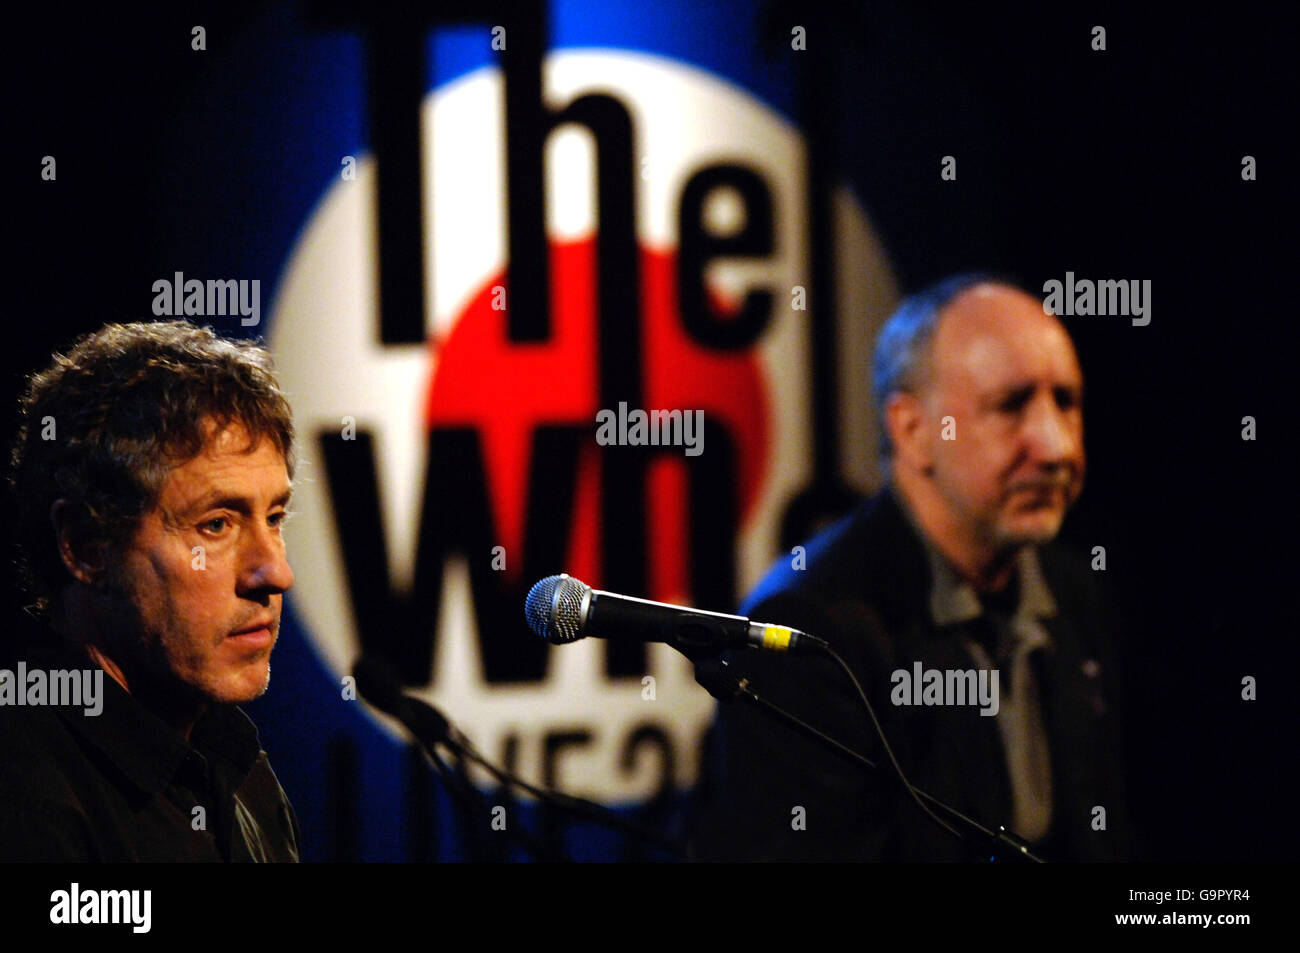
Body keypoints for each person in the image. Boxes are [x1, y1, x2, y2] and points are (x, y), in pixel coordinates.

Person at [693, 274, 1134, 861]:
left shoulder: (1072, 589)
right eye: (1010, 406)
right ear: (912, 430)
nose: (1055, 448)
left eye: (1066, 402)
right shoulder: (808, 631)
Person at [0, 320, 301, 862]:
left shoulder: (241, 773)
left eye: (275, 517)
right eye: (216, 524)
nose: (275, 573)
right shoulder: (24, 793)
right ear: (87, 547)